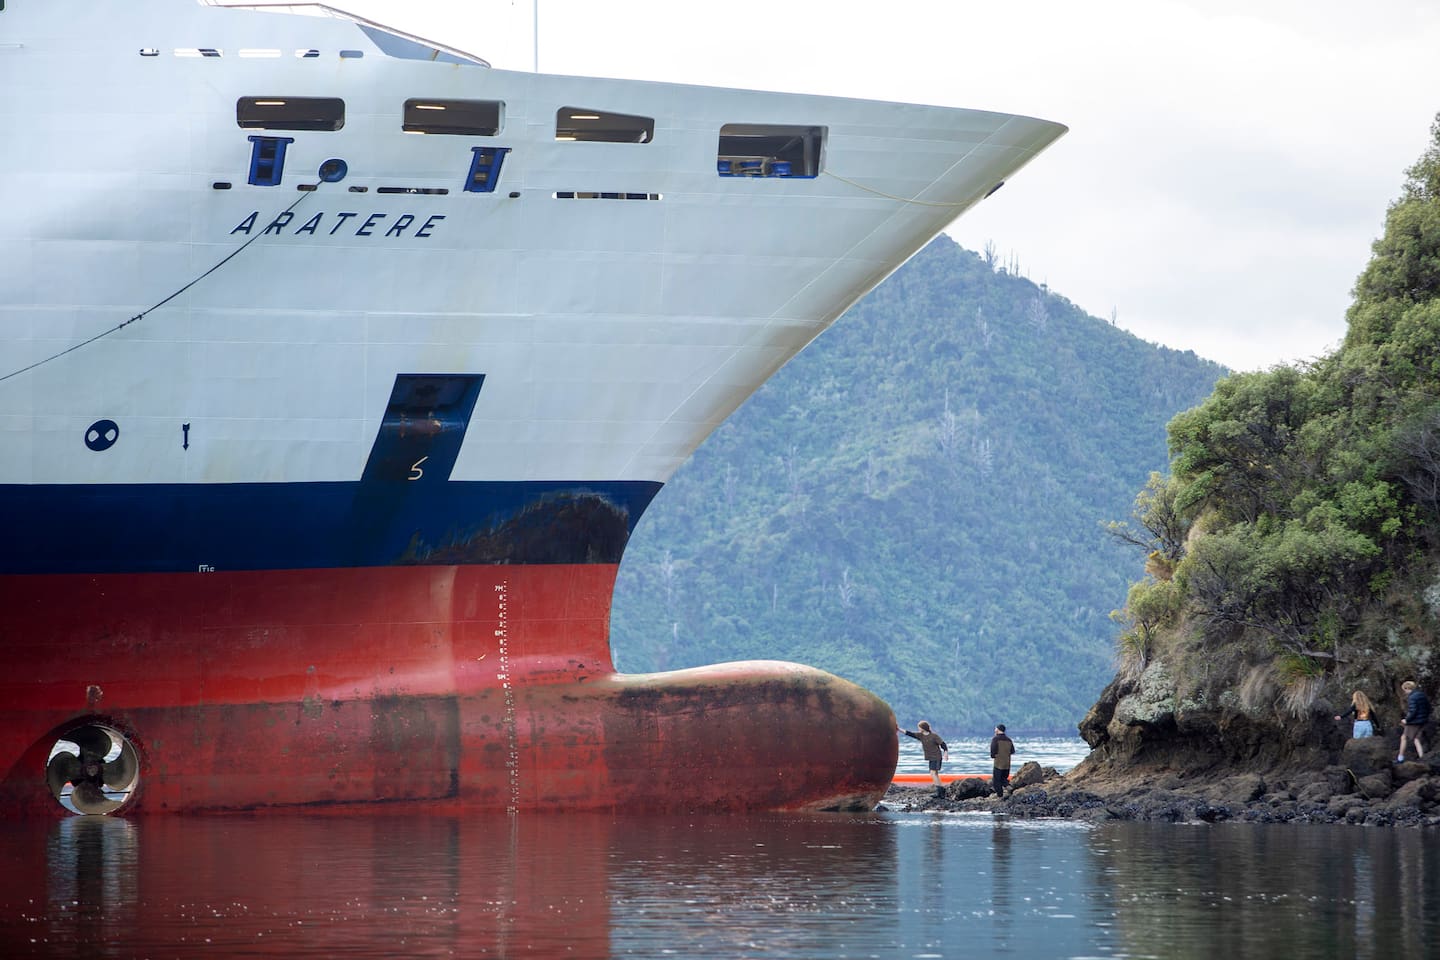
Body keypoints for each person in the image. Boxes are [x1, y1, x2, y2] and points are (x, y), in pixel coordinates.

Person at [900, 721, 949, 797]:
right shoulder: (921, 735)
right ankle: (941, 791)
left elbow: (943, 744)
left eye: (919, 727)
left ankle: (940, 792)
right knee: (934, 774)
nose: (918, 728)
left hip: (936, 757)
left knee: (933, 774)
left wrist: (946, 753)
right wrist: (899, 729)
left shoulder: (934, 736)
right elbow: (910, 733)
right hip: (931, 758)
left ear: (923, 728)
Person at [1398, 680, 1431, 762]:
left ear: (1407, 688)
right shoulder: (1422, 695)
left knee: (1404, 737)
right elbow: (1429, 708)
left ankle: (1400, 758)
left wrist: (1406, 720)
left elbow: (1413, 711)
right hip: (1423, 721)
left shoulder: (1412, 697)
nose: (1404, 692)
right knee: (1416, 739)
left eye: (1404, 690)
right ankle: (1422, 758)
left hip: (1414, 722)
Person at [989, 724, 1016, 798]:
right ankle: (1008, 787)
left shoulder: (995, 739)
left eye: (995, 729)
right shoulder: (1009, 740)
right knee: (1004, 778)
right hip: (1007, 764)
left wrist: (993, 755)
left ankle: (1000, 796)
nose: (995, 730)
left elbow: (993, 749)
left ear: (998, 729)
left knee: (997, 781)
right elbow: (1012, 751)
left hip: (998, 763)